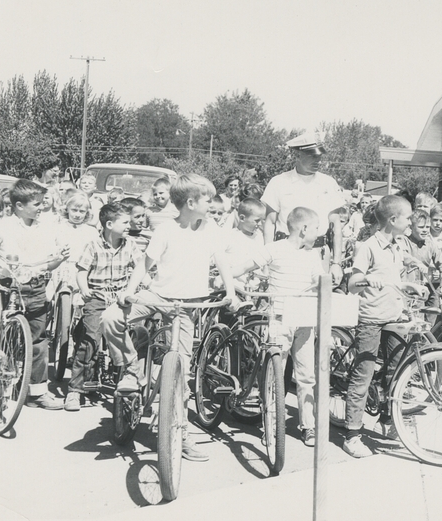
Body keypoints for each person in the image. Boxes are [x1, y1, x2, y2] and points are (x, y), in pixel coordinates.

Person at [102, 174, 240, 462]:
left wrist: (230, 291)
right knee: (112, 317)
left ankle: (181, 433)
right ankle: (129, 366)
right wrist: (128, 291)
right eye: (207, 199)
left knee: (182, 373)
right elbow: (145, 264)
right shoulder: (166, 230)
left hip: (188, 307)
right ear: (190, 202)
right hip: (158, 298)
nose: (212, 204)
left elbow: (222, 260)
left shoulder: (210, 227)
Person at [232, 207, 324, 447]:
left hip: (304, 318)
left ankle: (308, 426)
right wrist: (228, 278)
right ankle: (271, 423)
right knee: (275, 372)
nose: (318, 232)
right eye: (316, 228)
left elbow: (319, 279)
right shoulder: (274, 249)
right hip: (281, 317)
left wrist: (323, 280)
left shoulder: (313, 254)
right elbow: (244, 266)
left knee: (306, 376)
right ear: (303, 228)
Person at [0, 179, 69, 409]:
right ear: (19, 205)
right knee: (2, 338)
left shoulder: (46, 228)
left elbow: (50, 262)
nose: (41, 207)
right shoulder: (2, 226)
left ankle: (36, 392)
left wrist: (58, 259)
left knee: (38, 340)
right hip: (7, 287)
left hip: (37, 287)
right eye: (36, 204)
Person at [343, 195, 417, 458]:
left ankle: (388, 421)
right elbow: (353, 284)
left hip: (394, 317)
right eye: (408, 217)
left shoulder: (397, 246)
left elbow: (392, 280)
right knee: (363, 374)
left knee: (394, 372)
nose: (411, 221)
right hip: (372, 319)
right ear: (393, 219)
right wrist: (367, 280)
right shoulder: (368, 246)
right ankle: (352, 434)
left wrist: (407, 286)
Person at [66, 203, 143, 411]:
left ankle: (134, 377)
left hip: (122, 297)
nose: (130, 225)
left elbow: (141, 268)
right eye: (125, 222)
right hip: (97, 296)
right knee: (90, 337)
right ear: (109, 224)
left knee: (138, 332)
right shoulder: (93, 245)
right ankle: (75, 389)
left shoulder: (131, 245)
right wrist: (84, 289)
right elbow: (82, 270)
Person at [261, 132, 346, 284]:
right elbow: (269, 223)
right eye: (312, 156)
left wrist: (336, 263)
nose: (318, 161)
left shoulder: (328, 183)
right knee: (284, 297)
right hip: (284, 252)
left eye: (319, 156)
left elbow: (336, 226)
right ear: (297, 155)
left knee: (316, 301)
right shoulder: (279, 182)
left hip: (318, 252)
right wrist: (267, 258)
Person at [398, 209, 442, 321]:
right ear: (411, 227)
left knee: (431, 316)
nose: (425, 230)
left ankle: (428, 336)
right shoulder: (404, 241)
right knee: (411, 320)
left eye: (427, 227)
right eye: (421, 227)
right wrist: (416, 262)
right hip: (408, 288)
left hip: (425, 287)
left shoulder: (430, 244)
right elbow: (403, 255)